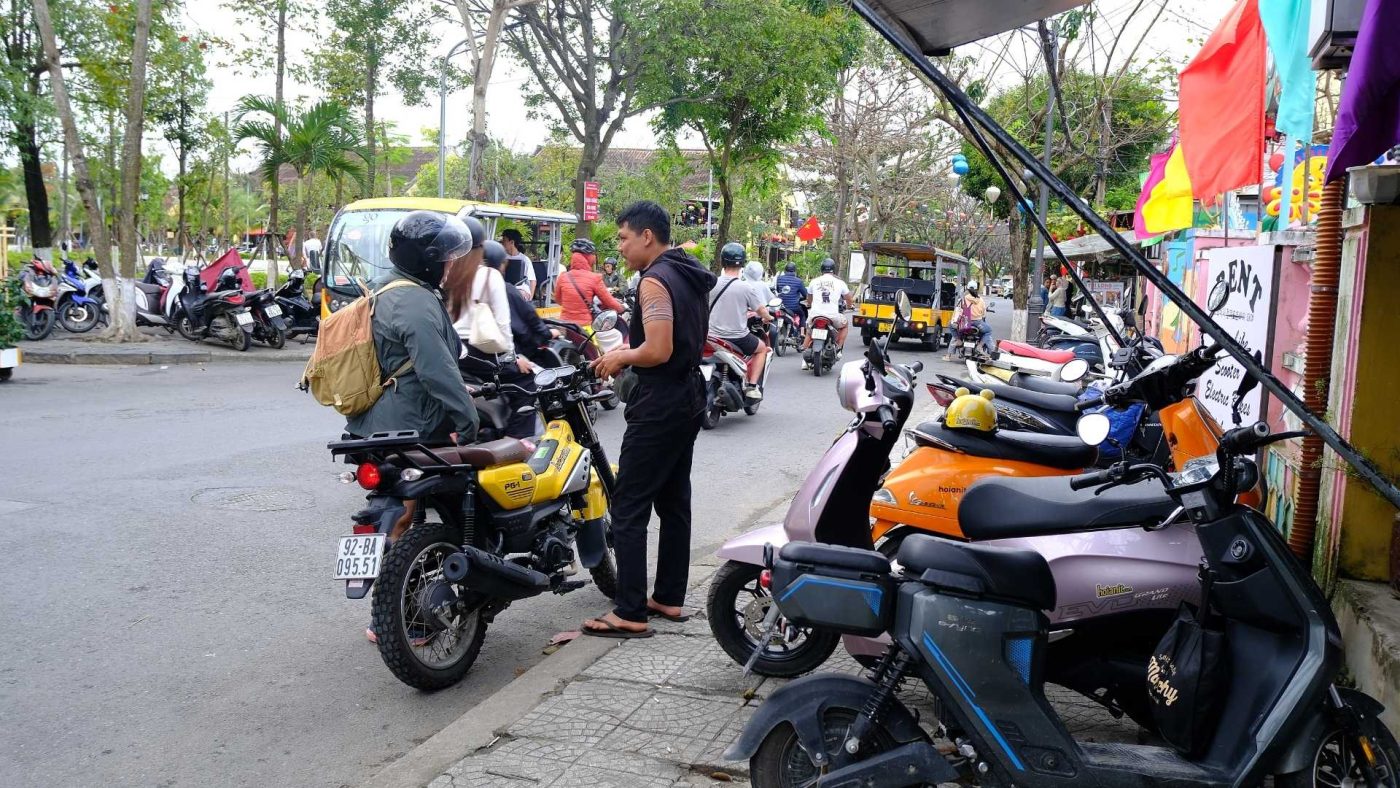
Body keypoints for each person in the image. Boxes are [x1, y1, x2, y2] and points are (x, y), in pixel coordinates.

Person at [582, 201, 716, 638]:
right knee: (674, 501)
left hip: (660, 402)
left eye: (623, 238)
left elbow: (657, 350)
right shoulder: (687, 270)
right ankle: (669, 597)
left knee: (628, 504)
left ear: (646, 236)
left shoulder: (654, 281)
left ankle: (630, 610)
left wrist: (620, 355)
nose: (619, 247)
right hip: (689, 396)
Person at [346, 210, 479, 447]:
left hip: (381, 418)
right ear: (428, 260)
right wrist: (468, 423)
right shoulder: (414, 300)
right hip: (412, 425)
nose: (451, 262)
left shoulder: (384, 288)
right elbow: (436, 370)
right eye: (446, 256)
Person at [709, 243, 772, 397]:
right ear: (742, 263)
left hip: (710, 336)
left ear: (722, 261)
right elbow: (761, 310)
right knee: (762, 348)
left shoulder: (710, 283)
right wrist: (768, 317)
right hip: (737, 337)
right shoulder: (745, 287)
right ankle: (751, 386)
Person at [555, 238, 624, 326]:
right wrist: (622, 308)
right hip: (584, 328)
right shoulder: (594, 278)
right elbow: (609, 302)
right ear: (589, 257)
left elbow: (558, 300)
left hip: (565, 325)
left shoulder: (563, 276)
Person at [801, 258, 852, 370]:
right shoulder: (840, 282)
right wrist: (850, 305)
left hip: (815, 314)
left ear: (821, 269)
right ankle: (838, 348)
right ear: (834, 270)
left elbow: (809, 297)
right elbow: (848, 297)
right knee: (845, 324)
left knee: (810, 331)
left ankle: (804, 359)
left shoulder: (814, 281)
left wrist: (809, 304)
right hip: (832, 316)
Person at [500, 228, 536, 299]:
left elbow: (532, 281)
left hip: (520, 288)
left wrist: (530, 300)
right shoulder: (501, 257)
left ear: (512, 242)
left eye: (504, 240)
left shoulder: (525, 260)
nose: (502, 243)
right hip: (504, 286)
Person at [963, 281, 994, 354]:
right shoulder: (980, 299)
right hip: (977, 322)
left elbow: (960, 309)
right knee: (988, 331)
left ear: (967, 288)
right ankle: (980, 346)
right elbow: (984, 313)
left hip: (966, 322)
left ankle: (950, 353)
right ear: (977, 289)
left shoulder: (964, 298)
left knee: (956, 332)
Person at [775, 261, 808, 326]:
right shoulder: (798, 281)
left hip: (781, 307)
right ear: (795, 271)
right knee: (802, 315)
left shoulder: (779, 279)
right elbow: (805, 294)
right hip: (794, 307)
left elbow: (778, 291)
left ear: (785, 270)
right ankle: (802, 333)